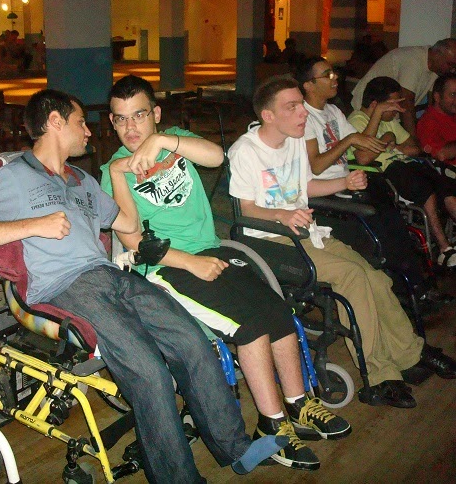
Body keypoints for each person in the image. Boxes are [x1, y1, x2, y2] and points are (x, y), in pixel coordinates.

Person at [0, 88, 287, 483]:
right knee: (149, 371)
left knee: (190, 340)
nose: (89, 132)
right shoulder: (13, 175)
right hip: (64, 286)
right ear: (55, 122)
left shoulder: (82, 180)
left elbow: (129, 225)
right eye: (81, 122)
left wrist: (118, 174)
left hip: (109, 276)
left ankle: (235, 448)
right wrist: (35, 225)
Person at [100, 75, 350, 472]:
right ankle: (271, 425)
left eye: (139, 116)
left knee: (278, 312)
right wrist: (189, 262)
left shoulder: (177, 140)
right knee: (249, 327)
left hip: (213, 251)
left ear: (156, 114)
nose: (130, 128)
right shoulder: (113, 170)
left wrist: (161, 141)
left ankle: (299, 404)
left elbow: (217, 157)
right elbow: (131, 241)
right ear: (112, 122)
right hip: (167, 267)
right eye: (120, 119)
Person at [228, 76, 456, 409]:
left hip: (306, 233)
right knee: (353, 278)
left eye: (301, 105)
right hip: (269, 241)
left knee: (376, 277)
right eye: (292, 107)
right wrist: (282, 215)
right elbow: (246, 209)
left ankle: (411, 353)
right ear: (268, 115)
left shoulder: (294, 141)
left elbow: (305, 187)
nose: (302, 113)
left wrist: (344, 182)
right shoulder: (245, 151)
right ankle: (378, 375)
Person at [296, 57, 431, 287]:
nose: (335, 78)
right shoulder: (304, 117)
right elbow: (317, 166)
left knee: (394, 219)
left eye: (334, 72)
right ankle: (401, 284)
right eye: (327, 75)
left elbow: (364, 146)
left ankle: (413, 283)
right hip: (325, 189)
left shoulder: (333, 112)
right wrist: (348, 140)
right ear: (309, 85)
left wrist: (378, 111)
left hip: (349, 183)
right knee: (379, 229)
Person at [348, 76, 456, 267]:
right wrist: (387, 137)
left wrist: (394, 146)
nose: (399, 109)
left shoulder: (390, 120)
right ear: (375, 105)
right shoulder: (356, 120)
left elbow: (415, 148)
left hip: (407, 165)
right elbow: (364, 157)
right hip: (385, 173)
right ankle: (444, 248)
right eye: (393, 104)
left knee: (446, 184)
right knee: (425, 190)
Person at [350, 38, 456, 136]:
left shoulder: (435, 69)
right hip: (367, 109)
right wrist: (414, 138)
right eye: (450, 64)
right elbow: (406, 103)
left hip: (388, 115)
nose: (452, 70)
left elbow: (432, 104)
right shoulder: (414, 60)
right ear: (437, 54)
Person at [417, 74, 456, 164]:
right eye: (453, 94)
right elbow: (440, 154)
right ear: (437, 97)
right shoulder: (428, 122)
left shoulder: (451, 113)